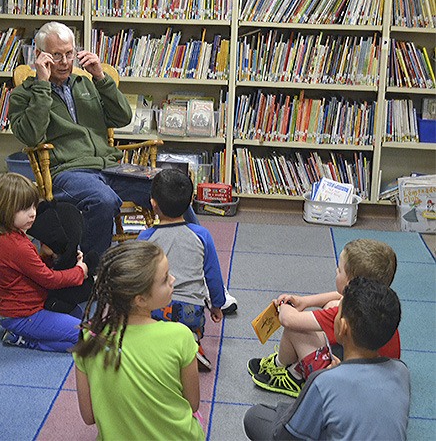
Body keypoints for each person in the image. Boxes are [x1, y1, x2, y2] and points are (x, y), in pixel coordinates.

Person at [8, 21, 198, 257]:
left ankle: (198, 256)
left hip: (111, 167)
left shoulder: (85, 83)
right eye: (56, 56)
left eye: (69, 54)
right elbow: (31, 135)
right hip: (69, 172)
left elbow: (122, 117)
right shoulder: (24, 95)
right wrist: (42, 86)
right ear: (39, 55)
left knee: (172, 186)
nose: (65, 62)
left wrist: (100, 76)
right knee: (103, 200)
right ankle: (93, 274)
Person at [243, 277, 410, 440]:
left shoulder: (324, 381)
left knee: (255, 416)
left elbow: (285, 437)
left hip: (314, 406)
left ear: (343, 326)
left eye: (338, 312)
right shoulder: (402, 371)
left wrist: (326, 379)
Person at [71, 241, 204, 440]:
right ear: (139, 299)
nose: (173, 280)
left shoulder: (90, 338)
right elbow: (193, 404)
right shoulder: (180, 336)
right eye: (165, 278)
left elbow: (89, 416)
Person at [247, 238, 399, 397]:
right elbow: (338, 296)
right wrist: (305, 301)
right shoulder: (379, 303)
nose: (336, 271)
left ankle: (286, 372)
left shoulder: (348, 312)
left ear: (350, 283)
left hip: (347, 386)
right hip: (373, 376)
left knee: (296, 331)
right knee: (331, 303)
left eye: (339, 270)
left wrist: (283, 306)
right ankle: (293, 365)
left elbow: (289, 320)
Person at [0, 173, 88, 352]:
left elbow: (24, 269)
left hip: (23, 307)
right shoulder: (17, 246)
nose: (33, 214)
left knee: (80, 317)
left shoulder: (3, 235)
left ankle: (7, 318)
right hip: (25, 315)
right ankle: (23, 339)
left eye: (33, 206)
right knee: (87, 339)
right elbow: (50, 280)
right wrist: (80, 271)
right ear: (3, 210)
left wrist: (47, 257)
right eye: (24, 209)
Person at [137, 169, 227, 370]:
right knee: (189, 327)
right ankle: (191, 342)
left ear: (153, 204)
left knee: (146, 323)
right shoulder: (202, 235)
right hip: (191, 311)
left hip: (156, 309)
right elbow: (213, 275)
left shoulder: (145, 238)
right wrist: (217, 305)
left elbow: (135, 278)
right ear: (191, 202)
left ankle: (156, 347)